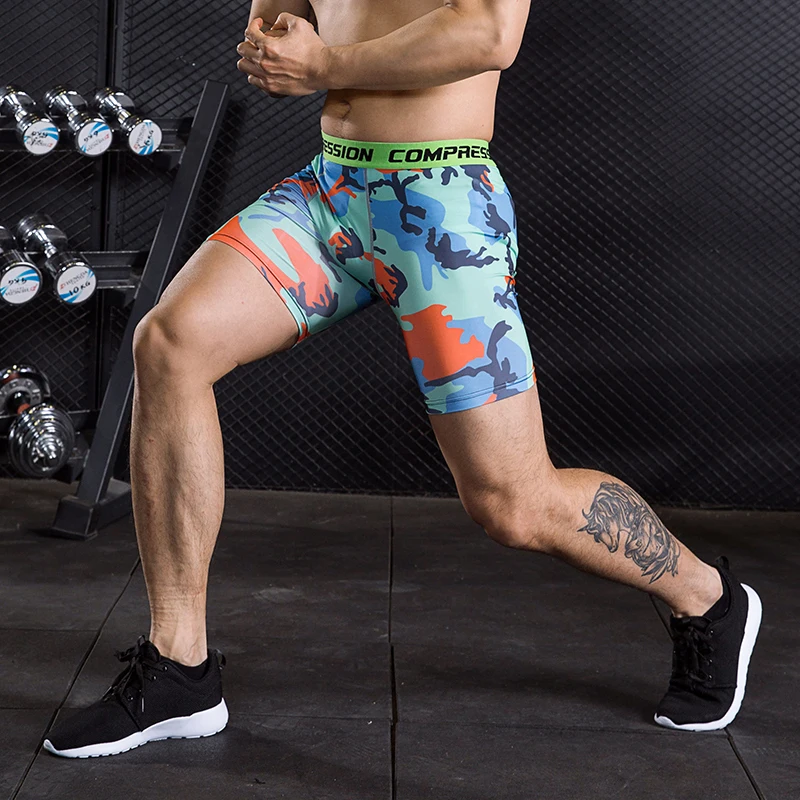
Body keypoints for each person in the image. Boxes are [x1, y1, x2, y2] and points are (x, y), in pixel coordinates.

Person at [43, 0, 762, 759]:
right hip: (333, 189)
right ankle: (179, 668)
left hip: (442, 202)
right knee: (171, 344)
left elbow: (490, 33)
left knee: (512, 503)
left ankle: (708, 599)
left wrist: (324, 64)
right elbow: (284, 22)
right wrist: (279, 37)